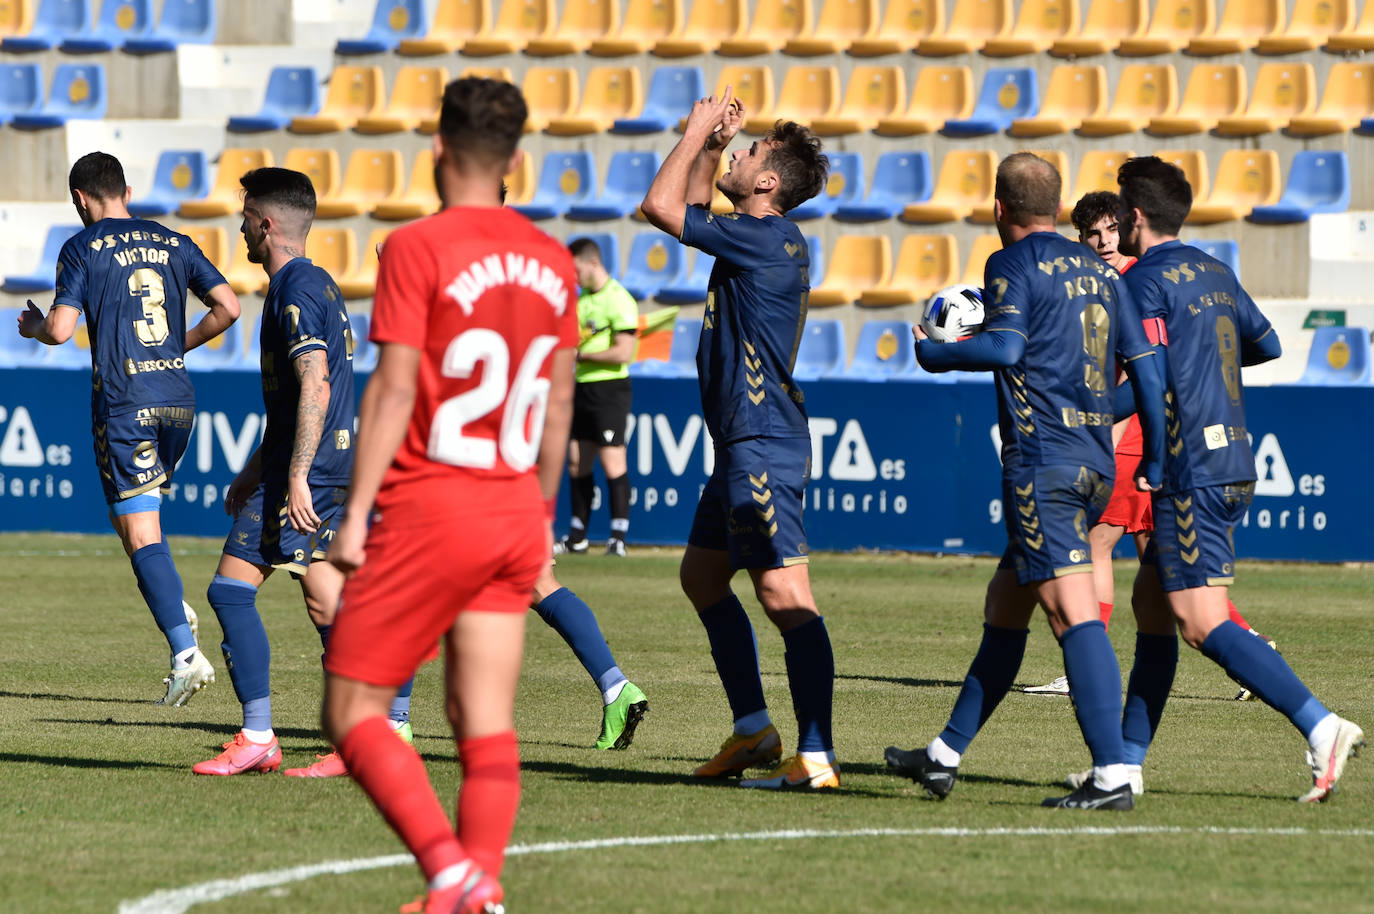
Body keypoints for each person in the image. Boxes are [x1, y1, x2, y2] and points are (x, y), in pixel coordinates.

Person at [321, 76, 577, 914]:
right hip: (515, 512)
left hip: (435, 504)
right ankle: (479, 889)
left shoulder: (417, 247)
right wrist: (542, 517)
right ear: (516, 161)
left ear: (437, 148)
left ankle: (451, 870)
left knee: (352, 709)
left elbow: (394, 388)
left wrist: (355, 515)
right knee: (483, 719)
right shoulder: (553, 261)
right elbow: (560, 406)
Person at [883, 152, 1168, 810]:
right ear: (1060, 207)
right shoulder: (1104, 274)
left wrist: (936, 354)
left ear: (998, 208)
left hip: (1044, 465)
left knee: (1072, 614)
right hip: (1097, 462)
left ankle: (1112, 774)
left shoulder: (1010, 262)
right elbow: (1149, 374)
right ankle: (944, 755)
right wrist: (1150, 459)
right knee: (1006, 605)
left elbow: (1006, 347)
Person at [1092, 155, 1363, 803]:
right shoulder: (1215, 270)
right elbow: (1266, 343)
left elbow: (1148, 380)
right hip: (1234, 454)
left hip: (1192, 465)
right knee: (1152, 609)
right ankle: (1123, 768)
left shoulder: (1142, 280)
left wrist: (1088, 409)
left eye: (1119, 213)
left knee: (1198, 620)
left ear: (1134, 216)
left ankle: (1322, 725)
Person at [642, 91, 840, 791]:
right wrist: (713, 147)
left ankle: (816, 755)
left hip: (761, 441)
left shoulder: (764, 238)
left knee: (785, 595)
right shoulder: (758, 234)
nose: (741, 150)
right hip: (741, 444)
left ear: (767, 182)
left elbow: (662, 208)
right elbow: (695, 206)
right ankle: (754, 729)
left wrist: (694, 129)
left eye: (751, 151)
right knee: (702, 577)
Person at [188, 167, 414, 776]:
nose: (240, 229)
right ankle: (377, 724)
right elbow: (294, 403)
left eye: (245, 219)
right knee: (325, 598)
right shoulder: (315, 283)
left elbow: (315, 383)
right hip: (321, 462)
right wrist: (256, 468)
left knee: (232, 591)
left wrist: (293, 476)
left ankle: (262, 735)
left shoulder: (295, 290)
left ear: (266, 224)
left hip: (310, 471)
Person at [1026, 191, 1273, 700]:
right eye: (1093, 233)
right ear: (1080, 239)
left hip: (1134, 436)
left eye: (1111, 229)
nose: (1104, 241)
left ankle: (1084, 666)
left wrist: (1105, 431)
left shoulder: (1136, 283)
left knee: (1095, 543)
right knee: (1166, 566)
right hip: (1154, 438)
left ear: (1129, 227)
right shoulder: (1109, 283)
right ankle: (1254, 651)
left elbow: (1140, 373)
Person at [17, 151, 239, 707]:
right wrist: (177, 345)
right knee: (134, 519)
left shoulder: (82, 246)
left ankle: (185, 655)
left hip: (125, 401)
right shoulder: (173, 241)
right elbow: (229, 307)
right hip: (178, 400)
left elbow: (61, 330)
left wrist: (34, 326)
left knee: (140, 533)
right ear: (128, 193)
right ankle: (170, 601)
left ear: (80, 199)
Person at [555, 238, 638, 558]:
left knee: (612, 460)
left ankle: (618, 537)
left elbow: (624, 352)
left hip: (610, 389)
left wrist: (582, 355)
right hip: (582, 387)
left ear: (592, 263)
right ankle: (578, 536)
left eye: (576, 269)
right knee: (577, 460)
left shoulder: (619, 299)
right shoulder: (581, 301)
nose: (574, 276)